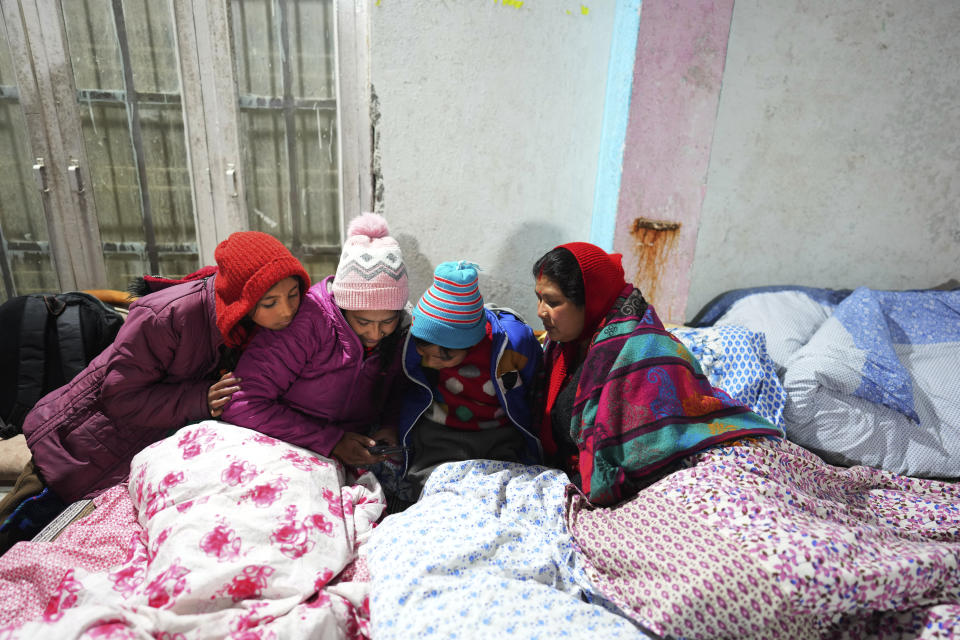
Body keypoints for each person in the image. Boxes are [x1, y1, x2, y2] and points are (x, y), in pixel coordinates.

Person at [1, 231, 310, 549]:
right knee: (17, 531)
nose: (286, 311)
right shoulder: (168, 316)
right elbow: (119, 396)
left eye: (293, 294)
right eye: (270, 302)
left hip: (136, 457)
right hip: (79, 448)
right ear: (239, 297)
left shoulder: (249, 324)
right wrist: (200, 399)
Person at [532, 242, 784, 506]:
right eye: (539, 298)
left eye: (552, 301)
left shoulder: (643, 353)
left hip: (679, 469)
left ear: (591, 300)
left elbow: (654, 447)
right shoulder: (560, 350)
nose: (540, 311)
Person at [222, 213, 410, 468]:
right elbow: (243, 402)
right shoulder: (308, 322)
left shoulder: (400, 331)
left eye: (386, 322)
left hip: (348, 445)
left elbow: (398, 387)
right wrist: (331, 441)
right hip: (286, 441)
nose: (375, 335)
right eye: (363, 322)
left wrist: (389, 425)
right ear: (342, 307)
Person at [387, 261, 542, 508]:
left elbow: (534, 391)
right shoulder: (412, 343)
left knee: (505, 502)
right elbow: (400, 392)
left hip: (499, 439)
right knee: (438, 502)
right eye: (423, 351)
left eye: (442, 357)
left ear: (470, 344)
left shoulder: (513, 346)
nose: (428, 362)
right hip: (438, 438)